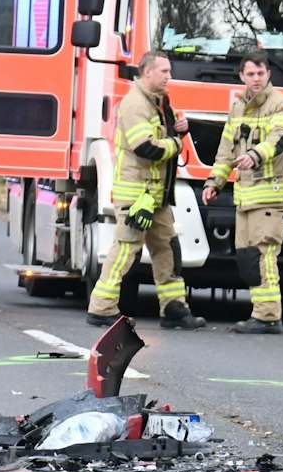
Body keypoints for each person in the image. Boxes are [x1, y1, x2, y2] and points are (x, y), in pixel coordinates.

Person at [87, 50, 204, 331]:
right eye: (164, 71)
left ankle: (174, 308)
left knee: (167, 249)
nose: (169, 77)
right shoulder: (134, 104)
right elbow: (146, 147)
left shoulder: (159, 101)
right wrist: (176, 143)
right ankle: (101, 308)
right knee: (126, 249)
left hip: (155, 196)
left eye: (169, 72)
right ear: (147, 71)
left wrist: (178, 129)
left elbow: (161, 136)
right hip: (137, 196)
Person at [203, 50, 283, 334]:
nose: (256, 79)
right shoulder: (238, 107)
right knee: (247, 258)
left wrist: (254, 156)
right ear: (242, 77)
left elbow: (279, 140)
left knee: (263, 254)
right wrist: (214, 182)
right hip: (246, 197)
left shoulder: (281, 105)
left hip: (271, 195)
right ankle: (262, 313)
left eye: (261, 73)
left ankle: (268, 317)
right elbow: (225, 150)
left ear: (269, 74)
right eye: (250, 74)